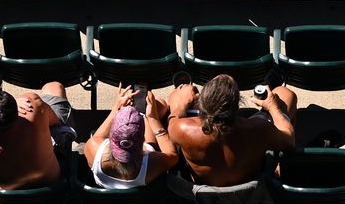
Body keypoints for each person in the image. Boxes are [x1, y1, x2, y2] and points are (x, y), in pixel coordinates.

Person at [167, 74, 297, 188]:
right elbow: (289, 140)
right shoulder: (258, 128)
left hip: (204, 184)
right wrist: (273, 107)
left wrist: (181, 105)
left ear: (202, 105)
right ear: (237, 106)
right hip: (248, 180)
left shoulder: (181, 129)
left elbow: (172, 119)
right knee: (285, 93)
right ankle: (279, 165)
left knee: (173, 98)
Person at [0, 81, 74, 190]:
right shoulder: (32, 105)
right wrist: (13, 107)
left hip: (6, 197)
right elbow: (55, 120)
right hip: (51, 182)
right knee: (53, 87)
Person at [83, 85, 178, 189]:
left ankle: (141, 112)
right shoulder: (152, 162)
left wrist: (116, 107)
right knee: (161, 105)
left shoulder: (92, 148)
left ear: (111, 134)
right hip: (144, 185)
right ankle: (143, 113)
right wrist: (153, 118)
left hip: (105, 201)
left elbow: (97, 137)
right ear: (143, 139)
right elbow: (173, 156)